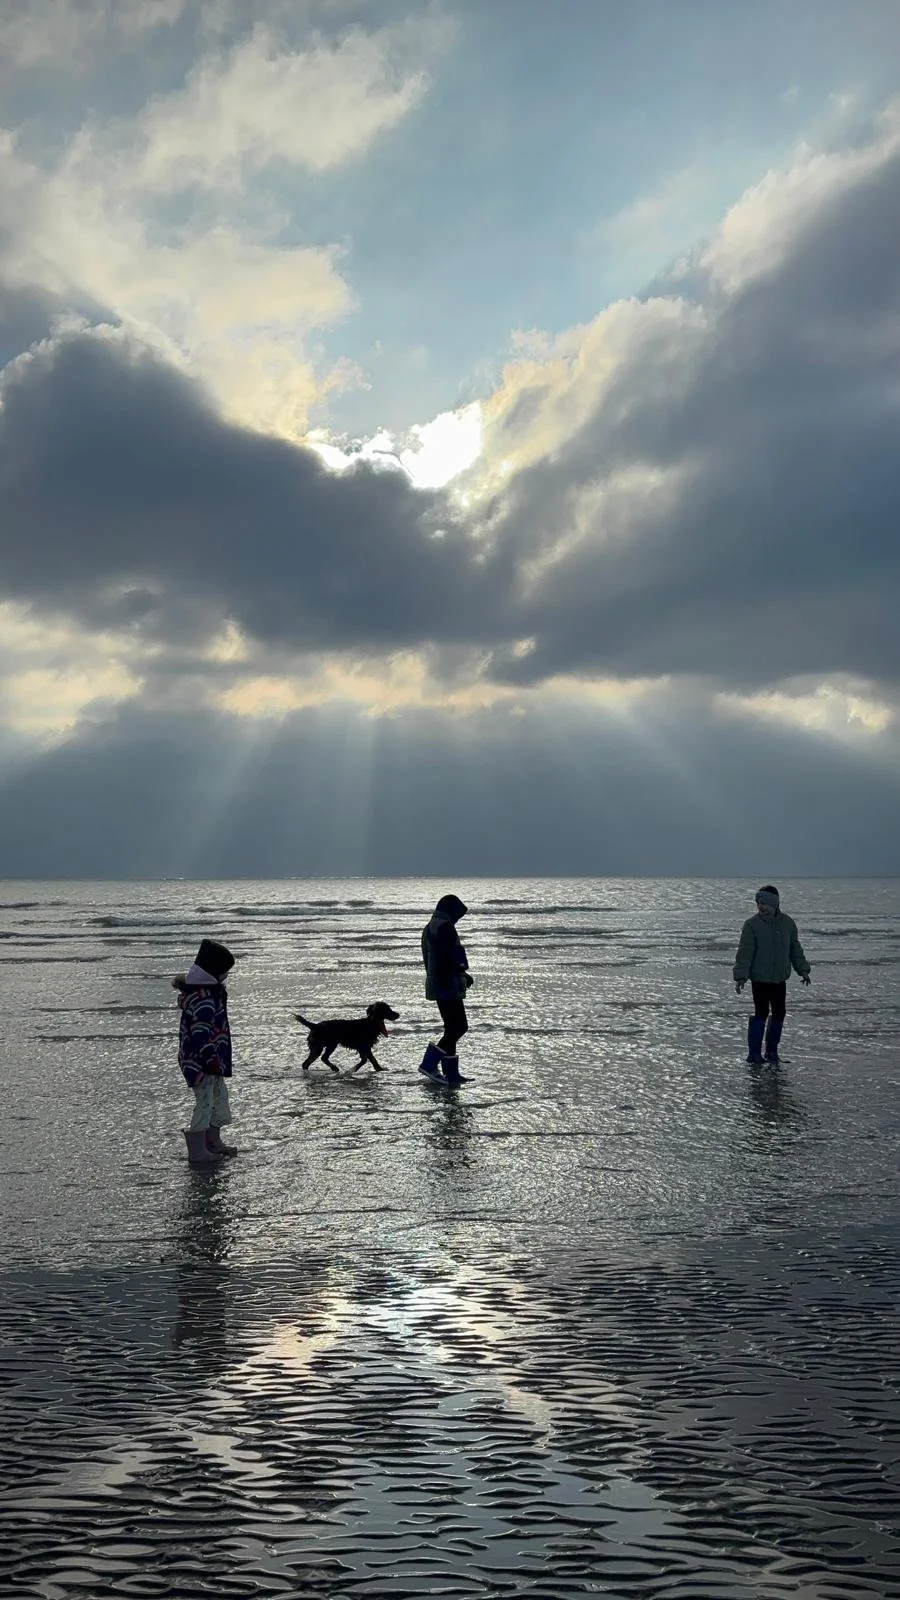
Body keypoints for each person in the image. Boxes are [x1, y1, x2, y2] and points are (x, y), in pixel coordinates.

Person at [173, 938, 238, 1162]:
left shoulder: (210, 995)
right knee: (205, 1102)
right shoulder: (203, 1000)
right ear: (212, 974)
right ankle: (197, 1151)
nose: (227, 976)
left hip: (212, 1061)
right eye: (224, 972)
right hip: (201, 1062)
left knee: (219, 1098)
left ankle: (213, 1141)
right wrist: (210, 1059)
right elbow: (200, 1034)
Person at [733, 886, 811, 1065]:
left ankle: (772, 1052)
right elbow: (744, 953)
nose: (761, 907)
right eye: (758, 903)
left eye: (764, 903)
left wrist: (803, 970)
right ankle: (754, 1054)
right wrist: (740, 977)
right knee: (760, 1012)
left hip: (779, 979)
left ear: (774, 904)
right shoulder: (752, 925)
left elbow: (795, 950)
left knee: (779, 1013)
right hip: (759, 979)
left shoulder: (787, 923)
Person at [419, 894, 473, 1087]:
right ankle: (429, 1064)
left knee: (452, 1028)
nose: (458, 919)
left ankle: (451, 1074)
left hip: (439, 983)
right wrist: (461, 973)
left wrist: (462, 976)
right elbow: (449, 958)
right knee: (459, 1027)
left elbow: (436, 958)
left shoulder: (431, 926)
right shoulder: (445, 927)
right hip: (446, 984)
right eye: (457, 915)